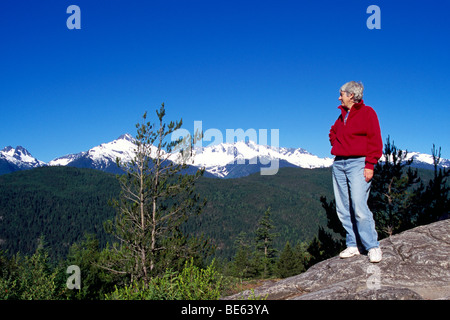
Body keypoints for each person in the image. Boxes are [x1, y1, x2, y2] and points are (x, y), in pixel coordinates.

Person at [329, 81, 383, 263]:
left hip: (359, 163)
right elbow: (333, 132)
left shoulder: (368, 113)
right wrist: (337, 145)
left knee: (359, 206)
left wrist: (370, 164)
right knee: (343, 207)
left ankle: (372, 246)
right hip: (339, 164)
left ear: (351, 95)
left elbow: (375, 140)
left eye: (341, 93)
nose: (339, 97)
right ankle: (353, 244)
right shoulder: (342, 115)